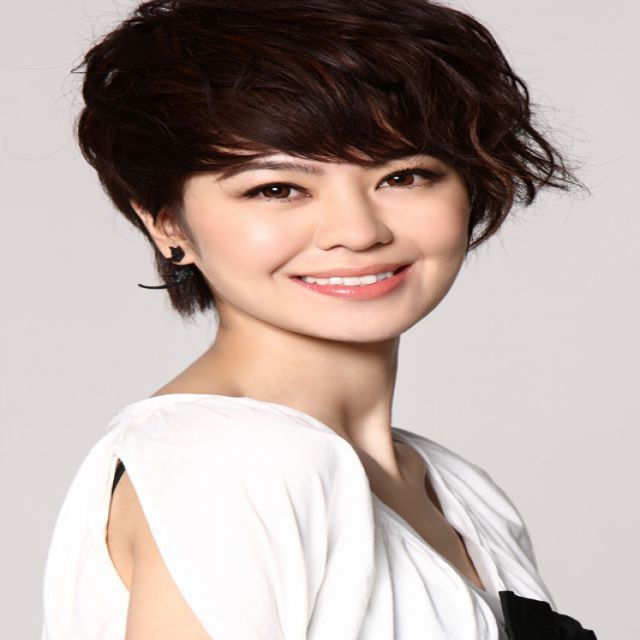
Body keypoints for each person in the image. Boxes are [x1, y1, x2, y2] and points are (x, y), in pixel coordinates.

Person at [41, 0, 597, 638]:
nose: (357, 232)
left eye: (404, 176)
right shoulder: (230, 462)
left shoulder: (456, 488)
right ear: (167, 224)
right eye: (277, 189)